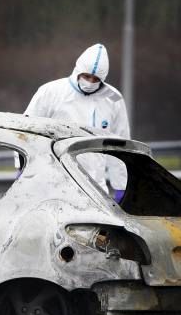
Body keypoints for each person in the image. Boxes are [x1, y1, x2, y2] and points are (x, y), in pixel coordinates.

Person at [24, 43, 130, 198]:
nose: (90, 82)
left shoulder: (113, 101)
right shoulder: (51, 92)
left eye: (95, 79)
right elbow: (26, 130)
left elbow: (120, 144)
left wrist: (121, 186)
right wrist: (23, 168)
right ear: (78, 70)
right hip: (53, 186)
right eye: (86, 76)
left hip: (96, 189)